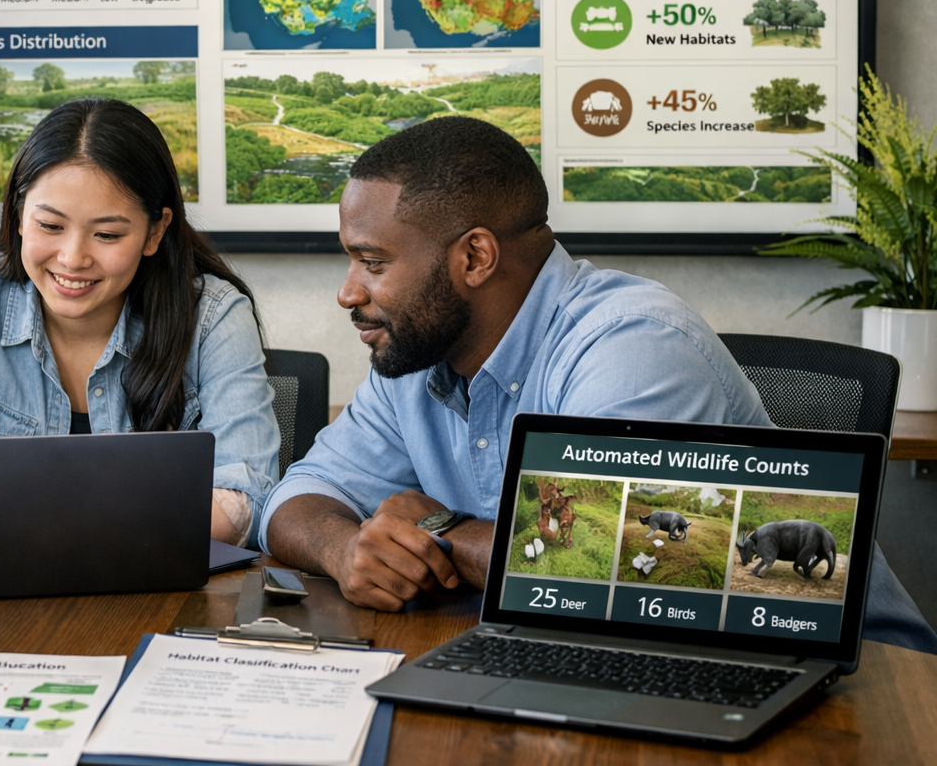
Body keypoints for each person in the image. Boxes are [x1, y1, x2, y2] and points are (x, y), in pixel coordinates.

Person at [260, 116, 936, 651]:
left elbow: (608, 568)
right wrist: (345, 546)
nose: (349, 292)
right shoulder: (413, 353)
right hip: (588, 654)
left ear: (474, 257)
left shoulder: (633, 344)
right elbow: (295, 497)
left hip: (851, 689)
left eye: (372, 262)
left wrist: (435, 526)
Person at [0, 98, 279, 546]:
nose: (73, 259)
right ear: (18, 214)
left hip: (154, 595)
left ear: (155, 232)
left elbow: (245, 499)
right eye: (50, 226)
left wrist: (66, 532)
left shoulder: (213, 317)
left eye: (107, 235)